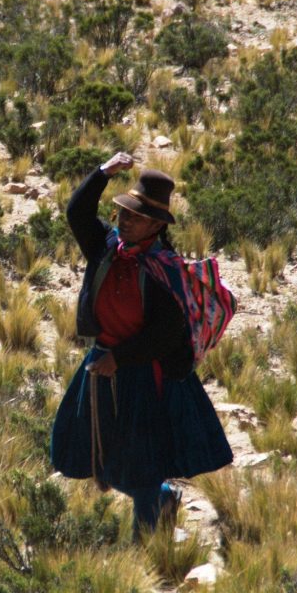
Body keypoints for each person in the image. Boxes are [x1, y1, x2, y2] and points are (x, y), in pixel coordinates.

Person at [50, 151, 234, 539]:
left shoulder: (164, 271)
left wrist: (120, 358)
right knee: (103, 463)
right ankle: (162, 499)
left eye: (134, 216)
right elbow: (76, 214)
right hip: (104, 366)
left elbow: (165, 334)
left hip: (145, 377)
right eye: (122, 213)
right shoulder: (106, 247)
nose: (123, 220)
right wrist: (103, 172)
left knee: (142, 465)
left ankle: (148, 545)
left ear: (154, 225)